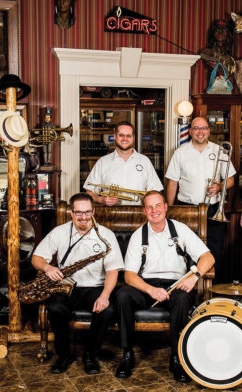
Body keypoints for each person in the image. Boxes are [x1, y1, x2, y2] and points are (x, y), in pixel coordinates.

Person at [114, 191, 215, 382]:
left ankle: (177, 356)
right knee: (123, 295)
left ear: (166, 207)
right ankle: (127, 354)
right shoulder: (138, 236)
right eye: (149, 207)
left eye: (158, 205)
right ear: (144, 211)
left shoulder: (180, 230)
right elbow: (129, 275)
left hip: (176, 284)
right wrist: (150, 290)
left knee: (184, 297)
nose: (154, 211)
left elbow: (208, 257)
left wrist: (194, 277)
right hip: (147, 286)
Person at [31, 193, 123, 374]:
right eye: (79, 213)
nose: (84, 217)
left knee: (108, 310)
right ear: (71, 213)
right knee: (55, 308)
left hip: (95, 287)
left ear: (93, 211)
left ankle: (90, 354)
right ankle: (64, 355)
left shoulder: (106, 235)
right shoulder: (59, 232)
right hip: (67, 286)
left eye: (88, 212)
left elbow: (113, 270)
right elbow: (36, 258)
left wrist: (105, 296)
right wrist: (48, 268)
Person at [165, 116, 235, 281]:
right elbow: (172, 183)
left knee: (215, 249)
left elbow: (231, 179)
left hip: (214, 209)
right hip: (187, 208)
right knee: (187, 250)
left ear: (209, 131)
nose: (200, 132)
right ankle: (189, 287)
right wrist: (171, 208)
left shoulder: (220, 150)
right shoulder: (180, 153)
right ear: (190, 131)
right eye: (196, 128)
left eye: (203, 128)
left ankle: (212, 289)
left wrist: (219, 186)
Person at [84, 121, 163, 206]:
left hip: (140, 215)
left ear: (133, 138)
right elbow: (89, 192)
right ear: (115, 136)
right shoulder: (102, 162)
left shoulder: (145, 161)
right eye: (121, 135)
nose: (125, 139)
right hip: (110, 215)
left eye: (128, 136)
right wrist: (101, 199)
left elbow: (155, 192)